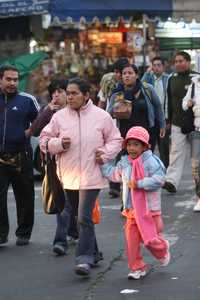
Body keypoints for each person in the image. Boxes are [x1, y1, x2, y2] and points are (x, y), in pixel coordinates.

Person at [39, 77, 122, 277]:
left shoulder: (102, 116)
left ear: (86, 95)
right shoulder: (59, 117)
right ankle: (94, 252)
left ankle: (83, 259)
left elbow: (116, 140)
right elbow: (44, 140)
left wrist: (105, 152)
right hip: (67, 177)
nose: (70, 96)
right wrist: (59, 144)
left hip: (91, 176)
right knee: (79, 218)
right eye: (68, 93)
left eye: (74, 93)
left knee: (84, 217)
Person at [101, 126, 170, 280]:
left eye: (136, 144)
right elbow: (115, 175)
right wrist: (102, 164)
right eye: (129, 144)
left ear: (145, 146)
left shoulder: (151, 161)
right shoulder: (125, 162)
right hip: (131, 210)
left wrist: (139, 183)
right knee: (131, 242)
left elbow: (159, 179)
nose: (132, 148)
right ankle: (137, 267)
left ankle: (163, 248)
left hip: (150, 210)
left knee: (150, 240)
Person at [27, 78, 80, 254]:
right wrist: (48, 110)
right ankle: (60, 240)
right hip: (53, 164)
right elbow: (34, 130)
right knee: (61, 201)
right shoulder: (49, 112)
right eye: (53, 92)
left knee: (74, 201)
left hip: (76, 163)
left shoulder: (77, 111)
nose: (56, 95)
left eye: (60, 91)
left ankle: (73, 232)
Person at [0, 65, 39, 246]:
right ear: (1, 79)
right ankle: (1, 235)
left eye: (15, 79)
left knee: (24, 196)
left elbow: (41, 122)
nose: (12, 83)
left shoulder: (27, 100)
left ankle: (24, 233)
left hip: (21, 155)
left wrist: (29, 132)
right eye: (8, 79)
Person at [163, 51, 199, 194]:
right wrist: (168, 120)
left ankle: (199, 184)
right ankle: (171, 181)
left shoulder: (196, 78)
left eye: (181, 61)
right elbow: (169, 101)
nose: (178, 63)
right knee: (176, 153)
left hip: (195, 124)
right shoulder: (172, 79)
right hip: (177, 123)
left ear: (188, 62)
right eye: (176, 61)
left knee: (196, 157)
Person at [108, 63, 166, 150]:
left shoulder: (147, 89)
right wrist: (117, 110)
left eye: (130, 73)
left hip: (146, 134)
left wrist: (162, 125)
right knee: (127, 161)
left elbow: (158, 106)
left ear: (137, 75)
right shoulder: (117, 93)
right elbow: (109, 114)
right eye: (124, 73)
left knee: (145, 161)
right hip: (126, 136)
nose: (127, 76)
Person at [98, 58, 129, 199]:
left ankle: (122, 184)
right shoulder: (108, 81)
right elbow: (102, 100)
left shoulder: (131, 84)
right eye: (116, 72)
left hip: (126, 125)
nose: (118, 75)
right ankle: (115, 185)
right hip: (111, 124)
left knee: (123, 155)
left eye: (120, 72)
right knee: (114, 154)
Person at [142, 56, 170, 167]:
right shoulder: (149, 79)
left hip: (164, 118)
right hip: (151, 119)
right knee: (149, 147)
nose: (156, 68)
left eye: (159, 65)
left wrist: (168, 119)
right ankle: (150, 170)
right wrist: (147, 73)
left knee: (164, 148)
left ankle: (165, 172)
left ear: (163, 66)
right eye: (154, 65)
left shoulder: (168, 79)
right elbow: (140, 85)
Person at [182, 75, 200, 211]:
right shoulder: (194, 85)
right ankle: (199, 198)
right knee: (196, 166)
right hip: (197, 131)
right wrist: (188, 103)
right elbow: (184, 104)